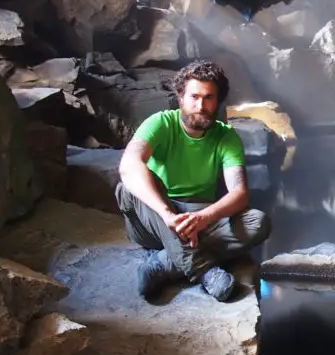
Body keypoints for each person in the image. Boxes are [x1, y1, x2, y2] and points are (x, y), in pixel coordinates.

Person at [116, 60, 271, 302]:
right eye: (194, 97)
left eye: (209, 97)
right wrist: (167, 215)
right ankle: (203, 270)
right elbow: (128, 165)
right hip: (154, 219)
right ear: (180, 96)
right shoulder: (160, 123)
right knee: (129, 188)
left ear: (218, 100)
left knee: (257, 222)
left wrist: (203, 218)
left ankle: (163, 263)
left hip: (200, 220)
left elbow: (239, 194)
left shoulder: (226, 137)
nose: (201, 106)